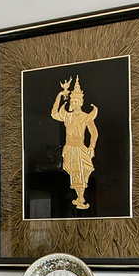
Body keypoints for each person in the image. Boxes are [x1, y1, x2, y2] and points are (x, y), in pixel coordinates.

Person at [51, 76, 98, 210]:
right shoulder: (67, 115)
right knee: (73, 172)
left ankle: (80, 198)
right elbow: (54, 114)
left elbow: (94, 133)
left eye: (77, 101)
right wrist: (60, 95)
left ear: (81, 102)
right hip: (70, 147)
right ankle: (79, 198)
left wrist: (91, 146)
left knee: (84, 171)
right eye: (73, 101)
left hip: (81, 147)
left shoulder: (86, 117)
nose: (74, 103)